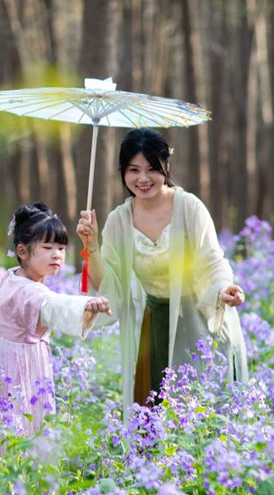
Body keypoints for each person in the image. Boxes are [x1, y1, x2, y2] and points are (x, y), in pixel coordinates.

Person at [76, 128, 248, 415]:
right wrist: (92, 245)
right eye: (133, 170)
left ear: (166, 167)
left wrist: (223, 289)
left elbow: (212, 260)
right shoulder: (119, 220)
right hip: (155, 326)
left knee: (202, 413)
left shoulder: (189, 207)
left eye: (152, 169)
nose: (143, 179)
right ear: (123, 172)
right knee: (154, 418)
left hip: (200, 319)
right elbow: (110, 283)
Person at [0, 202, 112, 436]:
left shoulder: (11, 277)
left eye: (61, 248)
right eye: (48, 247)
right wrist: (87, 304)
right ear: (22, 251)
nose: (57, 255)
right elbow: (52, 306)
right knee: (20, 426)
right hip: (17, 370)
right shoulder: (28, 291)